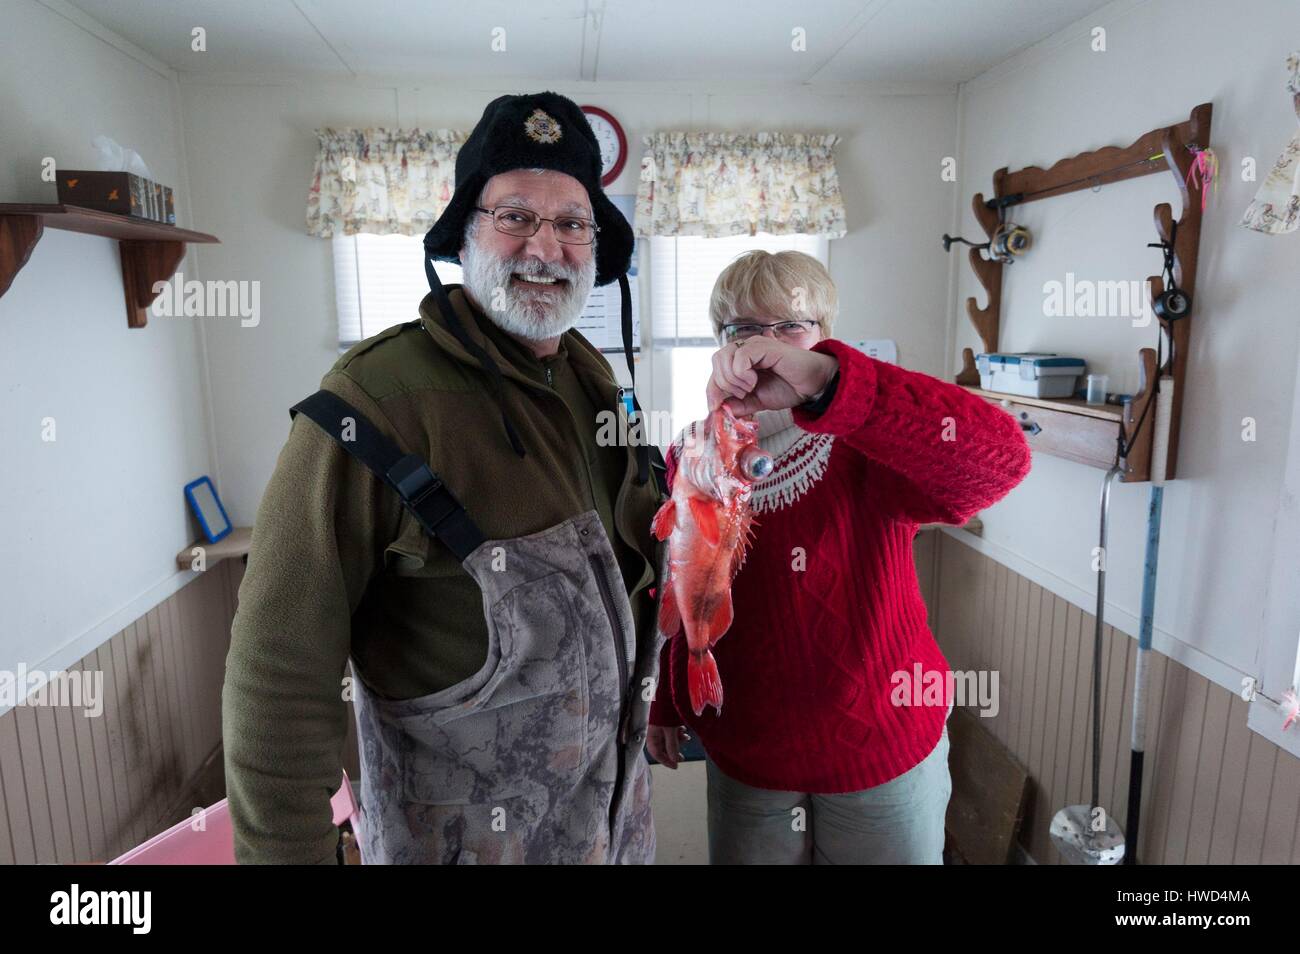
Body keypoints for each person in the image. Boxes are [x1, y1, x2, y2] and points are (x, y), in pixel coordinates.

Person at [222, 91, 666, 864]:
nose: (546, 247)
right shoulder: (375, 402)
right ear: (465, 235)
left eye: (571, 223)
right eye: (516, 216)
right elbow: (277, 674)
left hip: (614, 831)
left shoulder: (598, 384)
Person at [645, 250, 1032, 864]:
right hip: (750, 757)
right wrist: (668, 698)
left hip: (885, 752)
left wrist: (828, 385)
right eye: (743, 329)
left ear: (823, 337)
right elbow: (682, 580)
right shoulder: (691, 455)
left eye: (790, 327)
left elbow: (1002, 460)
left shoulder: (868, 440)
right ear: (718, 342)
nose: (763, 346)